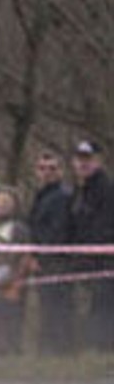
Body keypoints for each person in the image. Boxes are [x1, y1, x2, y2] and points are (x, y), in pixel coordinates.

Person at [26, 147, 75, 356]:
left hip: (57, 261)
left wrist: (41, 256)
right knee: (46, 307)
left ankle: (58, 350)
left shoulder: (62, 196)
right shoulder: (41, 196)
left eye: (52, 168)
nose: (46, 172)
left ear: (61, 171)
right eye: (42, 168)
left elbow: (57, 231)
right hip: (43, 259)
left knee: (58, 308)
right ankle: (48, 349)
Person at [67, 139, 114, 352]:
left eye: (88, 159)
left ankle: (104, 349)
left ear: (98, 161)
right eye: (79, 159)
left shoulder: (105, 189)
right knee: (90, 308)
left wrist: (91, 255)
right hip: (83, 261)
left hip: (103, 262)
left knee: (103, 307)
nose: (82, 164)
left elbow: (102, 228)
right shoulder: (80, 190)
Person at [0, 185, 28, 358]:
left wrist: (16, 281)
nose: (1, 205)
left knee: (13, 320)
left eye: (6, 201)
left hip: (13, 282)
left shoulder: (20, 228)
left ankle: (14, 353)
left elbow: (24, 256)